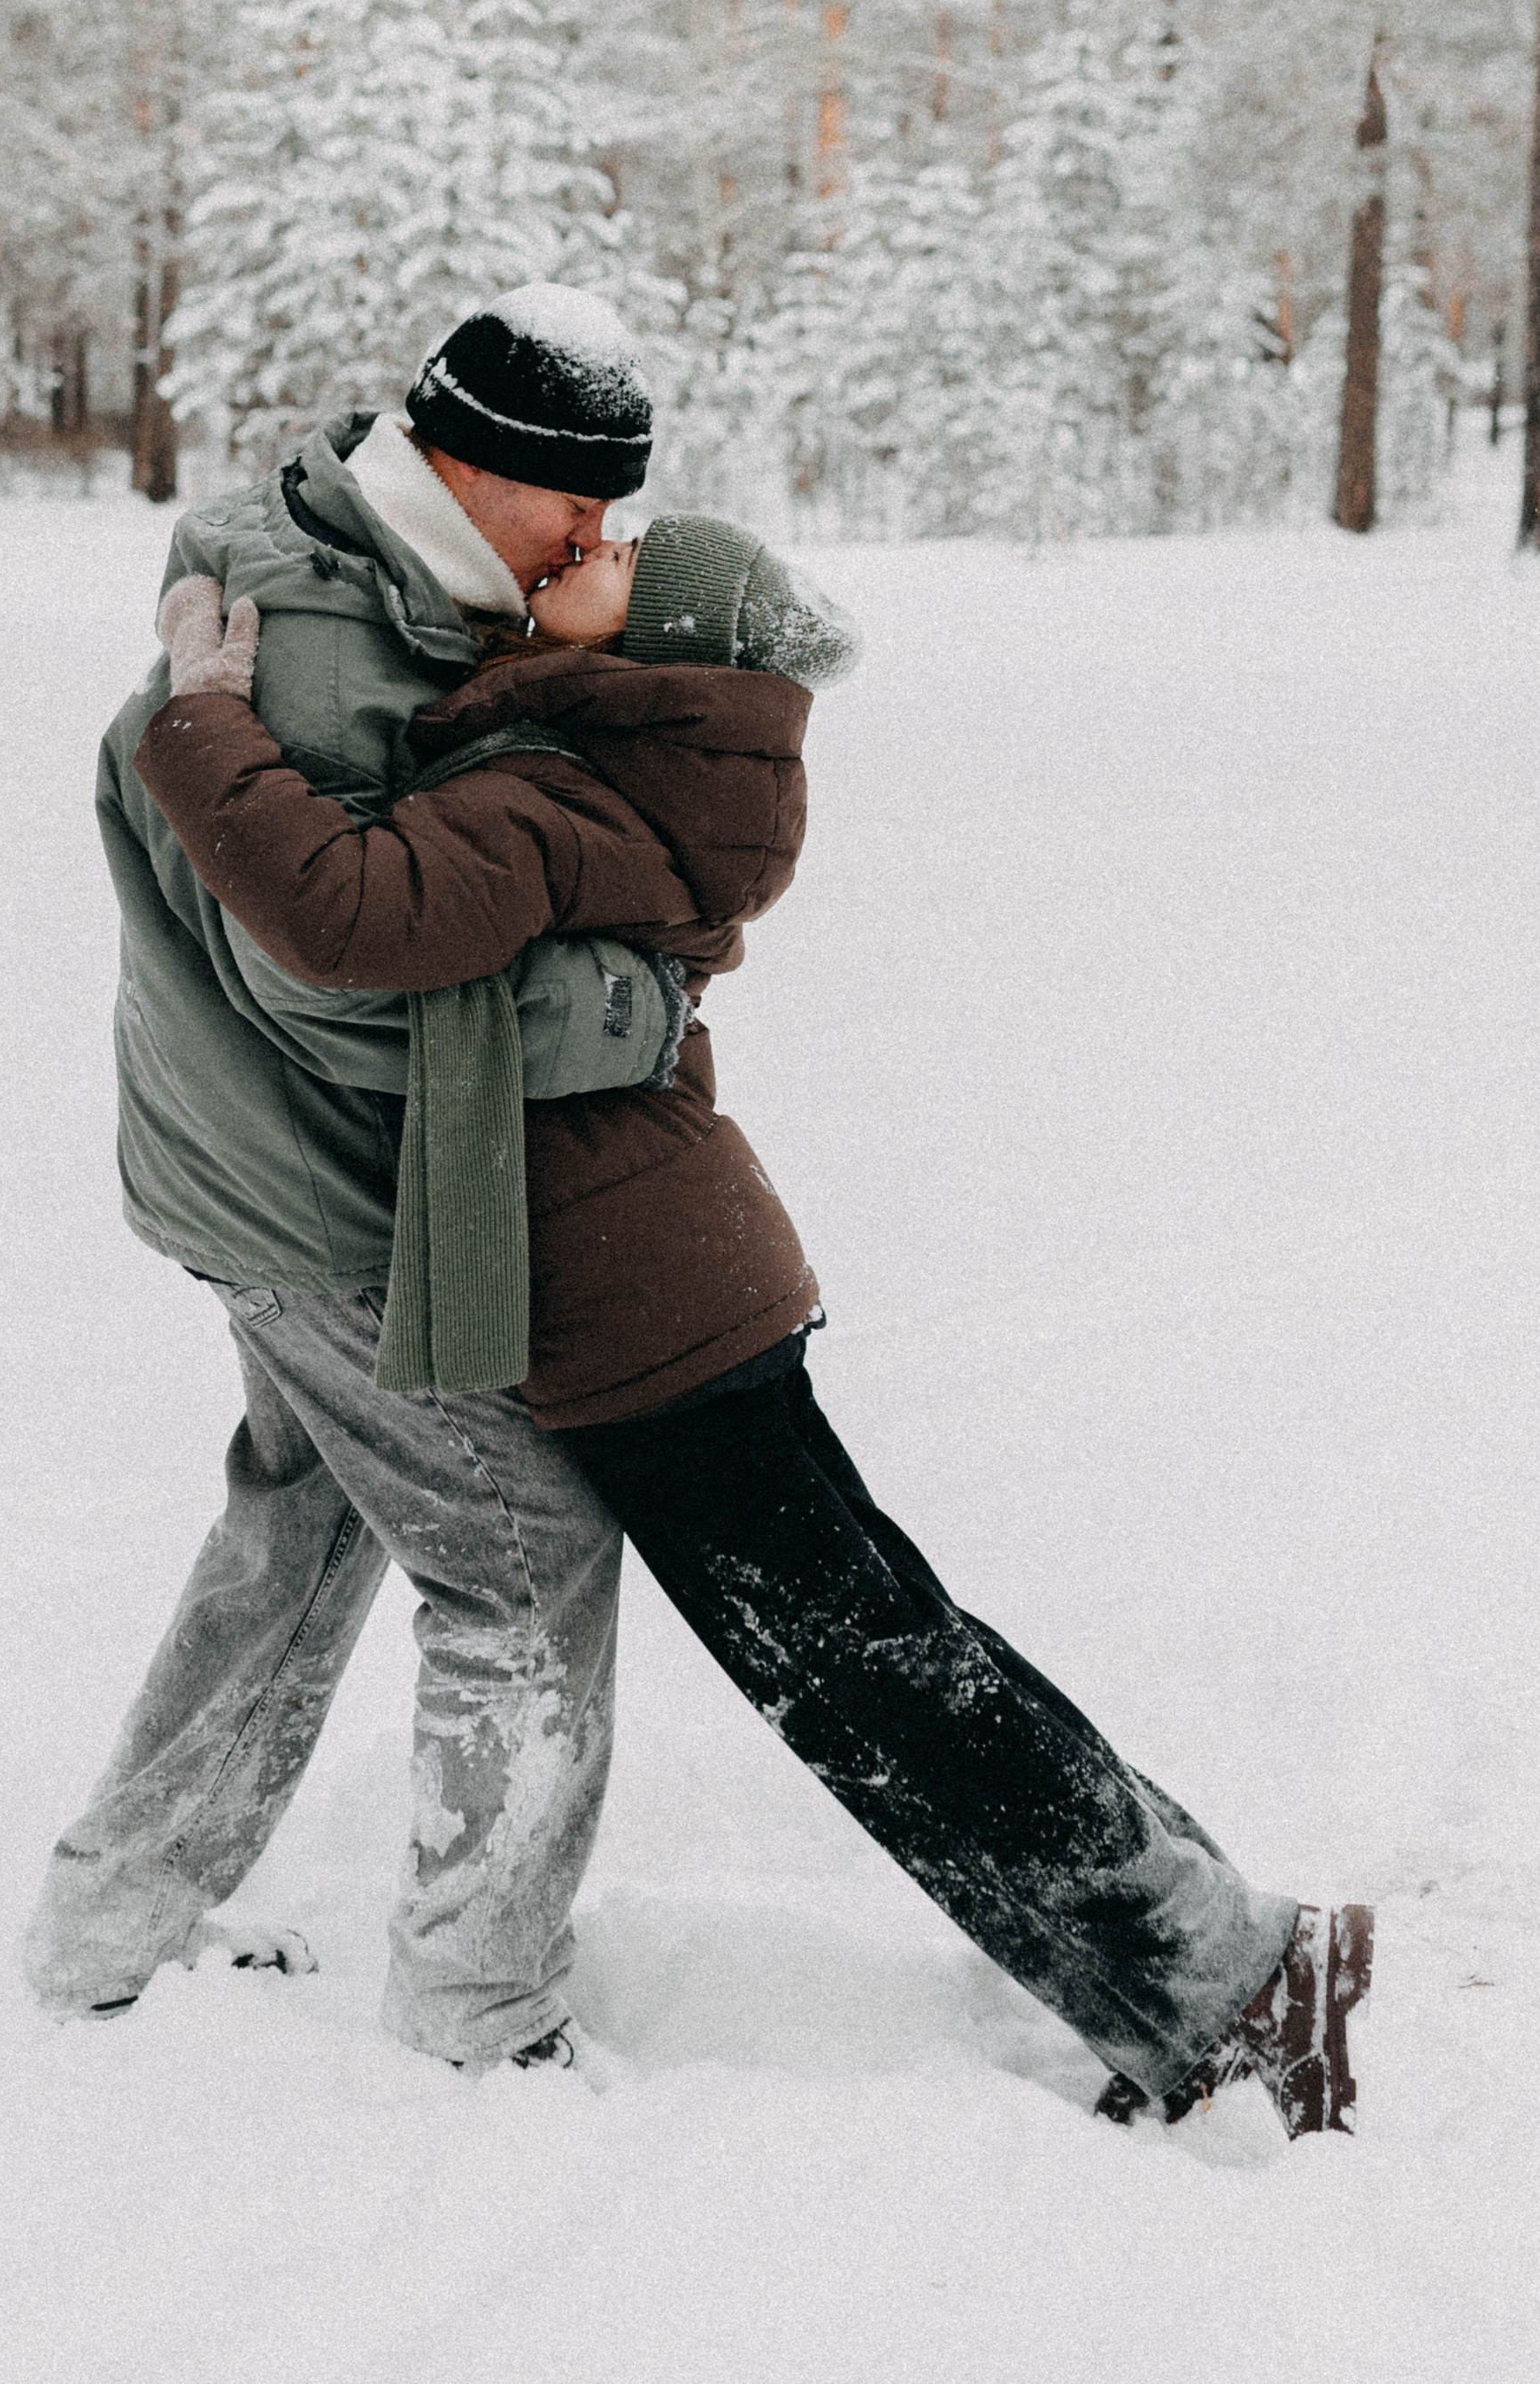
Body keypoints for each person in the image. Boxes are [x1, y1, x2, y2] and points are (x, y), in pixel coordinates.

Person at [132, 511, 1374, 2137]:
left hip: (645, 1310)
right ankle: (1218, 1940)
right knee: (891, 1646)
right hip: (679, 1273)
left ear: (654, 646)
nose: (594, 543)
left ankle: (1238, 1985)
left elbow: (353, 914)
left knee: (870, 1677)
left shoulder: (566, 782)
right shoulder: (638, 750)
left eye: (626, 565)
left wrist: (202, 723)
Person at [27, 287, 686, 2072]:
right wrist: (619, 1002)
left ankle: (116, 1914)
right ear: (476, 469)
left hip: (238, 1161)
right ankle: (483, 2011)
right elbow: (336, 986)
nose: (598, 543)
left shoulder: (370, 577)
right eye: (580, 505)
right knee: (524, 1555)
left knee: (302, 1515)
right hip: (307, 1186)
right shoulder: (324, 655)